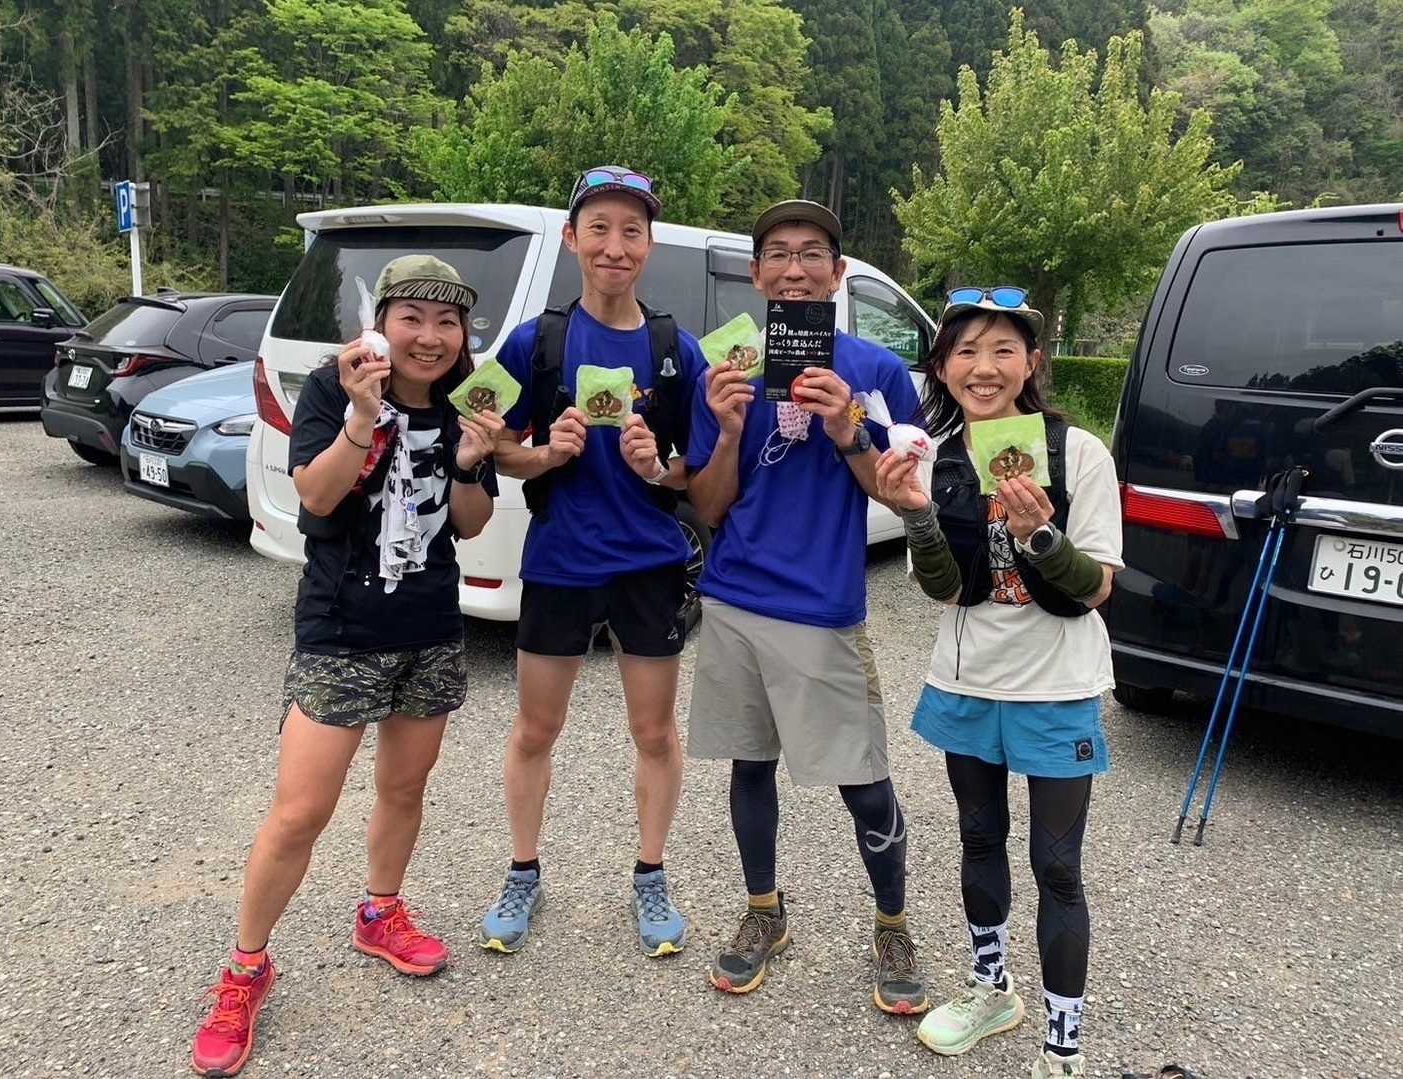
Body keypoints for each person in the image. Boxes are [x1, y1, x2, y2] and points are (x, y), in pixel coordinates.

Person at [189, 256, 501, 1077]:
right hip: (341, 627)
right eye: (412, 318)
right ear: (381, 324)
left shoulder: (467, 400)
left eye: (446, 322)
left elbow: (470, 523)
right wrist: (364, 416)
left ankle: (379, 911)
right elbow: (318, 496)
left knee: (404, 788)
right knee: (299, 812)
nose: (430, 337)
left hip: (429, 628)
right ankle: (245, 968)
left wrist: (470, 461)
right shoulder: (337, 387)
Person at [685, 199, 929, 1015]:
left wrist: (846, 424)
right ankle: (764, 909)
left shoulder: (876, 372)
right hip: (733, 597)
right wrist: (726, 430)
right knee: (748, 765)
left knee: (863, 779)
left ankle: (891, 923)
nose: (795, 268)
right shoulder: (727, 368)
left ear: (837, 272)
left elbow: (897, 489)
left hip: (824, 605)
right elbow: (708, 506)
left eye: (812, 253)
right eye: (779, 254)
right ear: (756, 275)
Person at [875, 287, 1123, 1079]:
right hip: (967, 681)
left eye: (1002, 350)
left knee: (1057, 864)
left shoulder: (1078, 453)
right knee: (978, 839)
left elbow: (1095, 588)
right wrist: (916, 511)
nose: (983, 368)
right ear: (941, 367)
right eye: (965, 351)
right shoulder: (935, 457)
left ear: (1032, 363)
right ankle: (991, 987)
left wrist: (1038, 534)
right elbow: (947, 589)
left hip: (1056, 687)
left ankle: (1063, 1045)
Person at [481, 165, 708, 958]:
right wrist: (544, 454)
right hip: (559, 559)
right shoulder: (533, 341)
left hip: (648, 563)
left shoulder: (676, 350)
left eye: (631, 231)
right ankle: (522, 871)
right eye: (600, 228)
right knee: (535, 727)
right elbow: (489, 442)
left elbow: (697, 472)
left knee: (654, 731)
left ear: (649, 245)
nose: (615, 246)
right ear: (572, 238)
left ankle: (650, 874)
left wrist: (658, 467)